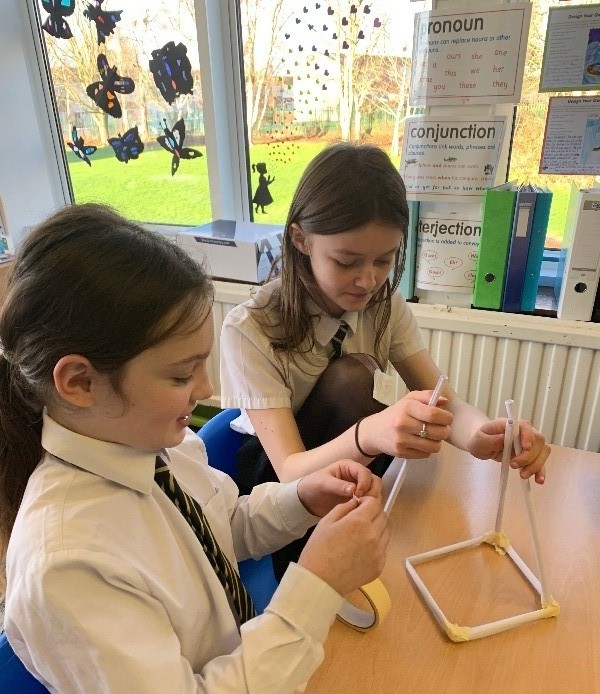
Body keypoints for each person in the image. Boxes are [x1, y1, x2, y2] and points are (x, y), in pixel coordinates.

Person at [0, 203, 388, 694]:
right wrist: (318, 584)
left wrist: (301, 500)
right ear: (78, 383)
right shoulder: (67, 564)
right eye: (181, 376)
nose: (207, 389)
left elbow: (220, 528)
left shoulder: (157, 445)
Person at [219, 142, 551, 581]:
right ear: (301, 239)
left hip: (357, 465)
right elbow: (290, 471)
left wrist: (482, 436)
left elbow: (443, 399)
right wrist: (369, 435)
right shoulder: (251, 328)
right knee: (351, 378)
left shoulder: (384, 304)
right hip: (281, 484)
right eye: (346, 261)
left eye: (385, 260)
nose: (368, 280)